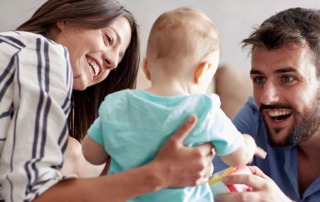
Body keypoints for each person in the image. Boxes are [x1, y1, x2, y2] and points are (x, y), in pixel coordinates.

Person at [0, 1, 215, 201]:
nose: (111, 62)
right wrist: (159, 173)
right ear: (65, 19)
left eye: (116, 62)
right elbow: (30, 194)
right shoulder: (47, 54)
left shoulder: (19, 55)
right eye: (108, 39)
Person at [82, 7, 266, 202]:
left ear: (146, 67)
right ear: (203, 71)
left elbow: (91, 154)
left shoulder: (116, 104)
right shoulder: (205, 109)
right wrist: (248, 142)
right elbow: (236, 157)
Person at [214, 7, 320, 202]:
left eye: (287, 78)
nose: (266, 98)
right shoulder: (255, 117)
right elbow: (206, 188)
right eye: (259, 79)